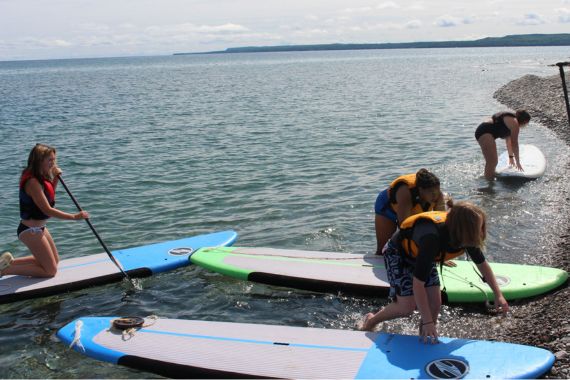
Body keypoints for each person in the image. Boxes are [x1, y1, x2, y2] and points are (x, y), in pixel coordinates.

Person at [359, 201, 509, 344]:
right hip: (398, 254)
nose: (481, 234)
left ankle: (425, 336)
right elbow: (418, 284)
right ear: (463, 229)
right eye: (478, 230)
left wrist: (498, 294)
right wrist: (428, 320)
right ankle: (370, 321)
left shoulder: (467, 237)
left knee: (435, 304)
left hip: (424, 255)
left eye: (481, 228)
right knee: (406, 307)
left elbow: (482, 265)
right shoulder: (432, 239)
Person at [0, 144, 89, 278]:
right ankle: (4, 271)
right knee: (50, 271)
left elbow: (49, 196)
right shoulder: (32, 183)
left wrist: (56, 179)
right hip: (30, 230)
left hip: (39, 228)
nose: (53, 163)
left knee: (55, 261)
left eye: (54, 160)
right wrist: (74, 217)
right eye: (50, 160)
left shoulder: (39, 178)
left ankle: (9, 263)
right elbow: (47, 209)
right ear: (39, 161)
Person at [374, 169, 445, 255]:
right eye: (431, 192)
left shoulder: (438, 195)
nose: (435, 195)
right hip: (387, 209)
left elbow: (441, 226)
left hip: (410, 211)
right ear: (421, 190)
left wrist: (441, 256)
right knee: (382, 250)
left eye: (437, 191)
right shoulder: (405, 193)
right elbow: (404, 227)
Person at [475, 110, 531, 180]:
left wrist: (511, 157)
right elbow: (515, 145)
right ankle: (488, 186)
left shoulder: (511, 121)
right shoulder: (514, 123)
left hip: (484, 131)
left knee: (492, 162)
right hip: (484, 132)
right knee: (492, 161)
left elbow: (509, 142)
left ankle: (489, 177)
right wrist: (518, 162)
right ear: (525, 122)